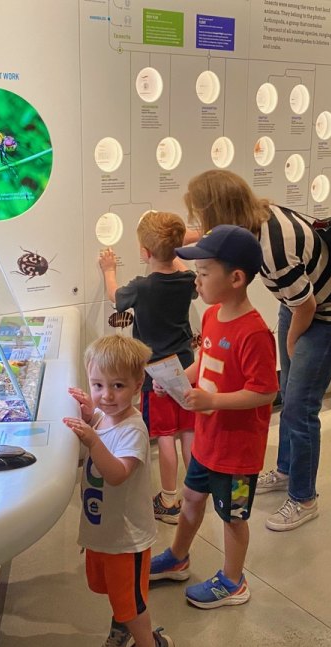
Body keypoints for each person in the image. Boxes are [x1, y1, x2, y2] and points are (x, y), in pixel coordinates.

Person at [181, 169, 331, 533]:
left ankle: (303, 497)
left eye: (202, 216)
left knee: (299, 405)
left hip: (326, 314)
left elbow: (306, 306)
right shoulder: (257, 218)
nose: (199, 224)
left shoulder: (271, 250)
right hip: (297, 301)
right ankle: (284, 470)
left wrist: (294, 341)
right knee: (294, 397)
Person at [147, 225, 279, 608]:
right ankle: (178, 557)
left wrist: (213, 402)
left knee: (232, 516)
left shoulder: (254, 333)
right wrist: (176, 382)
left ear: (236, 278)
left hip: (236, 453)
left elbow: (266, 391)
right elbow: (205, 363)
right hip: (207, 440)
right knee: (190, 497)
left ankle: (234, 582)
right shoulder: (212, 317)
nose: (196, 280)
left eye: (204, 273)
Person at [64, 336, 173, 647]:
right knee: (116, 593)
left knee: (132, 603)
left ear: (138, 385)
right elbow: (101, 420)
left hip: (127, 541)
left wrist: (92, 442)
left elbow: (116, 475)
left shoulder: (133, 430)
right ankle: (122, 629)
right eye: (98, 385)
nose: (106, 396)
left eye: (117, 386)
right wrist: (89, 413)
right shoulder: (105, 417)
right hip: (105, 532)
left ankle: (148, 645)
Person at [99, 211, 198, 525]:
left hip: (155, 373)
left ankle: (168, 500)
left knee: (165, 435)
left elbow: (115, 298)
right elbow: (184, 272)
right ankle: (195, 492)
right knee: (187, 430)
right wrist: (176, 253)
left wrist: (109, 269)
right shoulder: (187, 279)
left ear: (144, 252)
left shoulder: (142, 287)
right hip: (186, 366)